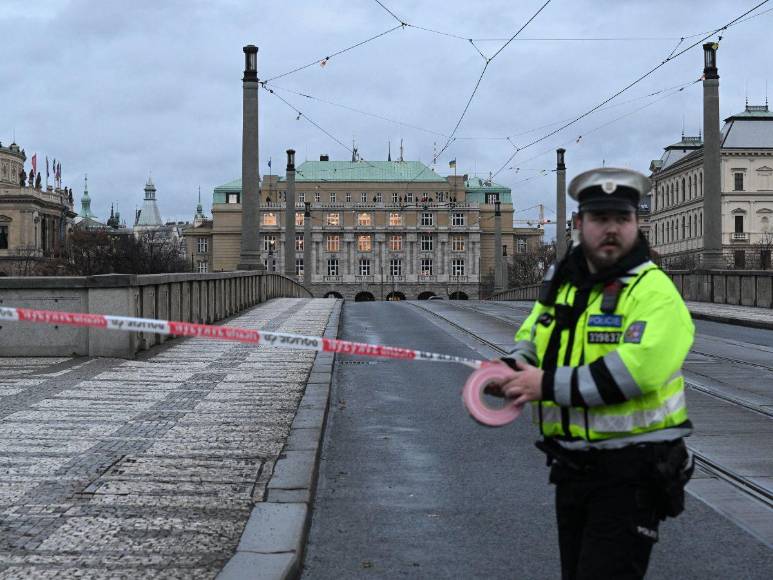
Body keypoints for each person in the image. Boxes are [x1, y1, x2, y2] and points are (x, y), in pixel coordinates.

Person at [494, 167, 695, 580]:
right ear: (580, 224)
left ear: (636, 224)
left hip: (633, 470)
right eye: (601, 218)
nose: (612, 229)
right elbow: (533, 336)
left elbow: (638, 370)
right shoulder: (565, 284)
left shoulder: (652, 290)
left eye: (623, 218)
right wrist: (511, 367)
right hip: (571, 466)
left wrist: (544, 384)